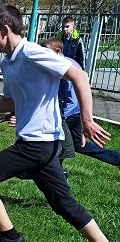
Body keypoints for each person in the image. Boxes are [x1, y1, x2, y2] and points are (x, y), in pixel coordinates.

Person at [0, 4, 119, 242]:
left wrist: (87, 120)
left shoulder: (33, 53)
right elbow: (10, 101)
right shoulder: (8, 62)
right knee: (63, 203)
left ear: (4, 30)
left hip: (38, 143)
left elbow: (79, 75)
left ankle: (10, 238)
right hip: (38, 143)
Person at [43, 36, 120, 169]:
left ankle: (56, 173)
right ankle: (117, 159)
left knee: (54, 143)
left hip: (68, 114)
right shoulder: (70, 62)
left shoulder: (62, 68)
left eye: (46, 52)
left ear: (58, 51)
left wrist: (62, 118)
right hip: (77, 112)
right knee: (78, 145)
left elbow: (68, 97)